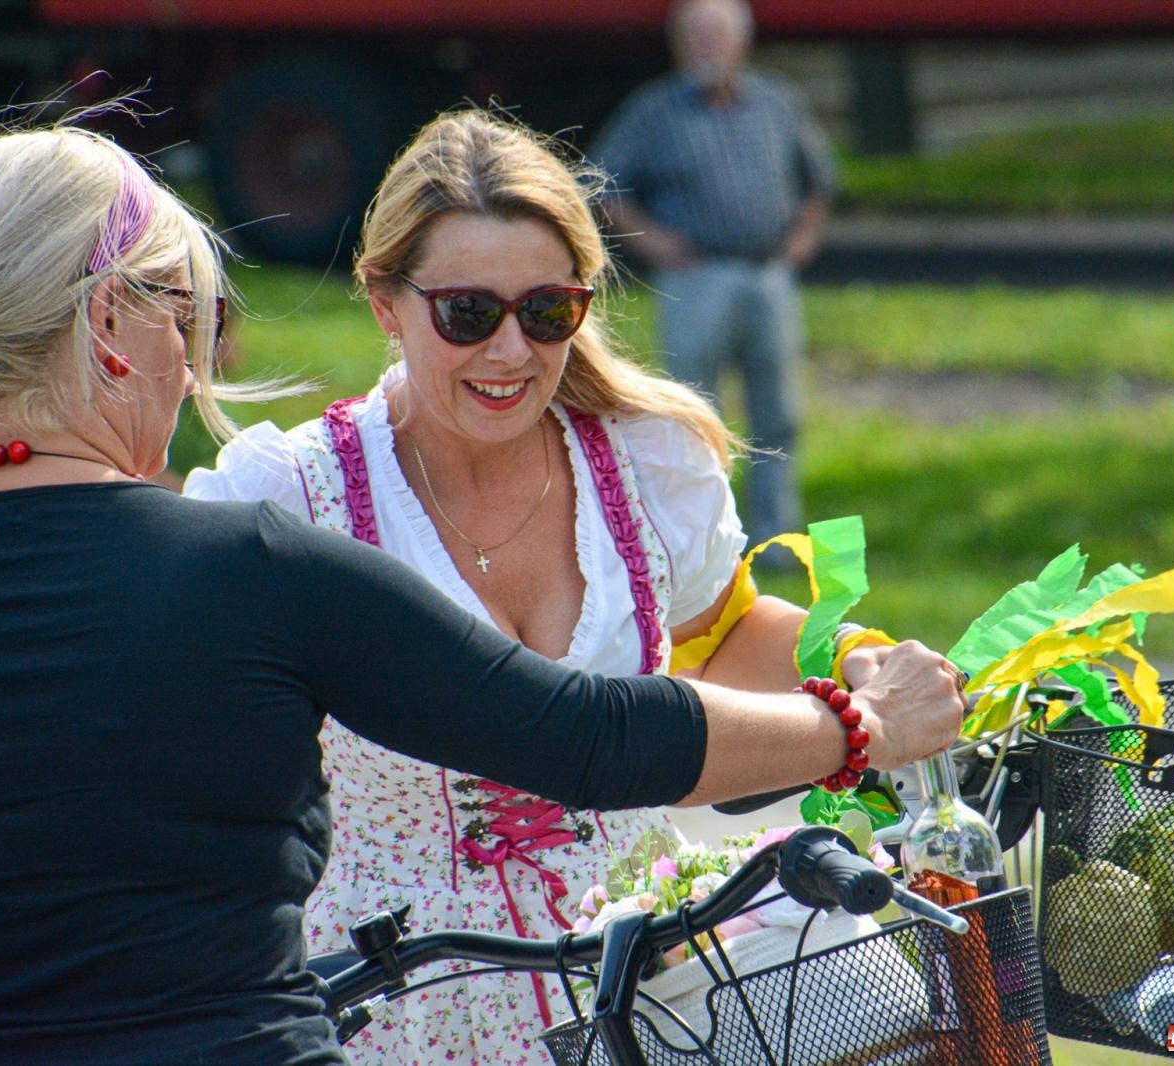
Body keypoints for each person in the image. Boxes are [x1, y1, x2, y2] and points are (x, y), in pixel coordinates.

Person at [0, 121, 966, 1064]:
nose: (197, 355)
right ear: (112, 324)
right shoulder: (249, 563)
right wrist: (851, 729)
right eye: (193, 314)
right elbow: (581, 736)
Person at [186, 108, 887, 1064]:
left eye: (548, 311)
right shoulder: (289, 501)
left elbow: (717, 635)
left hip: (639, 962)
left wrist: (862, 664)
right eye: (468, 314)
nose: (512, 352)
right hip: (405, 989)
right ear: (385, 300)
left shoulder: (646, 459)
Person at [591, 0, 836, 558]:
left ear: (742, 42)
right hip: (696, 278)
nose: (707, 48)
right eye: (695, 37)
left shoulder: (777, 102)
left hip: (768, 275)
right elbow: (601, 182)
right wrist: (651, 239)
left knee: (776, 415)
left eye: (717, 36)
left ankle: (775, 543)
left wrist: (802, 240)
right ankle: (708, 545)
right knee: (695, 416)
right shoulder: (654, 110)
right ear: (677, 45)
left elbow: (819, 179)